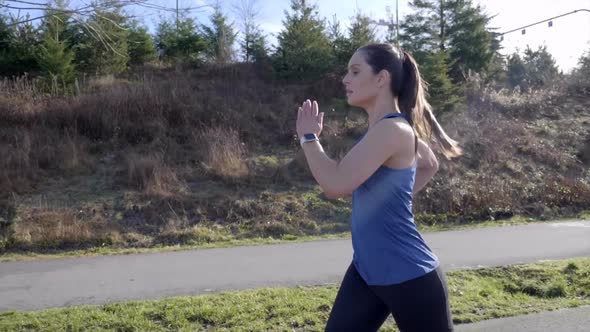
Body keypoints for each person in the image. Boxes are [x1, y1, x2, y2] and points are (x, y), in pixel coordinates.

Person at [295, 43, 462, 332]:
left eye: (355, 71)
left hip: (411, 276)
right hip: (367, 272)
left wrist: (308, 137)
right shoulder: (388, 130)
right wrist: (390, 199)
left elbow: (334, 185)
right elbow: (429, 163)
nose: (345, 79)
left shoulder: (392, 130)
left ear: (381, 78)